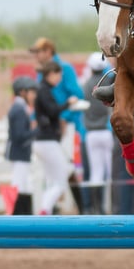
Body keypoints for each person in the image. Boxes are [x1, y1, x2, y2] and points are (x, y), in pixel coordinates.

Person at [29, 37, 87, 211]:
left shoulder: (64, 69)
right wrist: (35, 119)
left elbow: (77, 95)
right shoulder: (43, 74)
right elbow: (42, 104)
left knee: (67, 170)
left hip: (65, 124)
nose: (36, 56)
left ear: (48, 51)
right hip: (50, 127)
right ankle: (50, 209)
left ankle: (83, 209)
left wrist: (64, 116)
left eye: (38, 52)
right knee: (54, 173)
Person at [33, 60, 79, 215]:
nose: (59, 79)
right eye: (58, 75)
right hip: (47, 141)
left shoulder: (44, 89)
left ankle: (45, 211)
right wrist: (68, 103)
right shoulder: (44, 90)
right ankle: (45, 210)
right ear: (51, 74)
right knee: (60, 181)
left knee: (53, 181)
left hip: (45, 141)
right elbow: (53, 111)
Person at [83, 52, 115, 214]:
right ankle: (113, 208)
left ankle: (97, 209)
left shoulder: (86, 84)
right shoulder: (108, 82)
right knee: (110, 171)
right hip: (106, 131)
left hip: (90, 133)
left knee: (96, 173)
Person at [5, 75, 38, 214]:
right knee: (18, 184)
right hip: (20, 152)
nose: (33, 95)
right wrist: (35, 130)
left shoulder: (19, 107)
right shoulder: (19, 109)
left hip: (20, 152)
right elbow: (19, 135)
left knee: (23, 184)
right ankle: (16, 214)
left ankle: (22, 214)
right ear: (23, 92)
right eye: (31, 92)